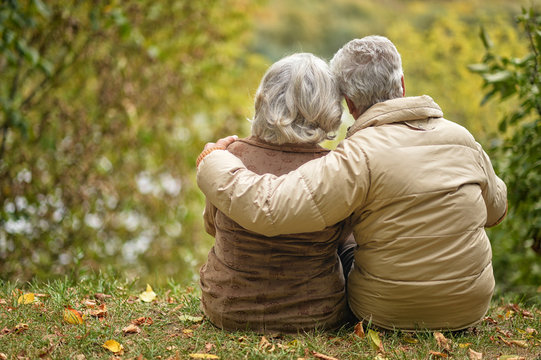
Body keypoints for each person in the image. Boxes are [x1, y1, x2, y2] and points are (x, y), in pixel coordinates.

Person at [196, 36, 508, 331]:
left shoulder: (354, 156)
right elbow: (496, 210)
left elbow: (261, 211)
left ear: (349, 103)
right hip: (469, 306)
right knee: (351, 229)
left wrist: (214, 159)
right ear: (402, 84)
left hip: (377, 310)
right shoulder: (463, 139)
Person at [198, 53, 355, 333]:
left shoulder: (229, 157)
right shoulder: (334, 168)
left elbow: (212, 226)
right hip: (316, 315)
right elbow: (342, 237)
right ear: (330, 107)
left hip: (228, 310)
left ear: (265, 98)